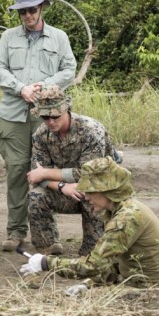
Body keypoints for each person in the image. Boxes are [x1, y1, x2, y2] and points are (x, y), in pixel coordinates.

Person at [0, 0, 77, 252]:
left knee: (44, 170)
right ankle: (15, 231)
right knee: (17, 171)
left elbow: (69, 69)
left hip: (47, 115)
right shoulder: (8, 37)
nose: (28, 15)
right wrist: (21, 88)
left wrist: (43, 86)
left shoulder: (59, 37)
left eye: (32, 9)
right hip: (13, 114)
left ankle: (48, 237)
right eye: (23, 11)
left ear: (41, 8)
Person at [20, 157, 159, 287]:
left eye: (89, 191)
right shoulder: (120, 210)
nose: (85, 197)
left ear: (106, 190)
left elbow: (93, 266)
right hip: (138, 285)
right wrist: (88, 285)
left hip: (151, 291)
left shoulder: (126, 218)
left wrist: (46, 262)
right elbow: (114, 263)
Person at [27, 85, 121, 256]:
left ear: (66, 109)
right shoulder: (41, 135)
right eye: (45, 117)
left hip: (100, 190)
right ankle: (47, 250)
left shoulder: (91, 130)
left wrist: (47, 173)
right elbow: (35, 175)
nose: (50, 121)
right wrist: (62, 186)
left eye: (55, 116)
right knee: (36, 196)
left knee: (93, 255)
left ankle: (93, 250)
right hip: (68, 190)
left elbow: (89, 174)